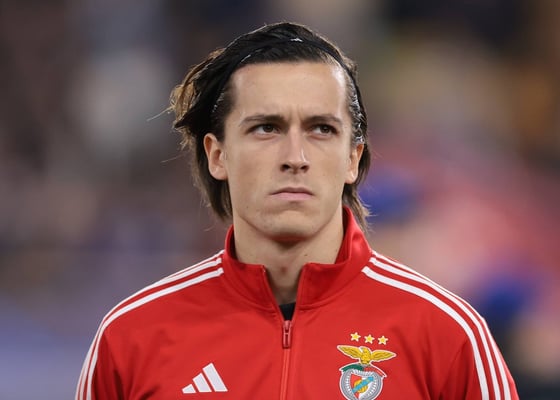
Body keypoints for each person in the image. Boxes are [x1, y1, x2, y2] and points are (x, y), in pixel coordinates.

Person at [76, 22, 519, 399]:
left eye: (321, 129)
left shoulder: (448, 335)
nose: (295, 156)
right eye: (266, 128)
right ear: (217, 155)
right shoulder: (131, 338)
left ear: (352, 158)